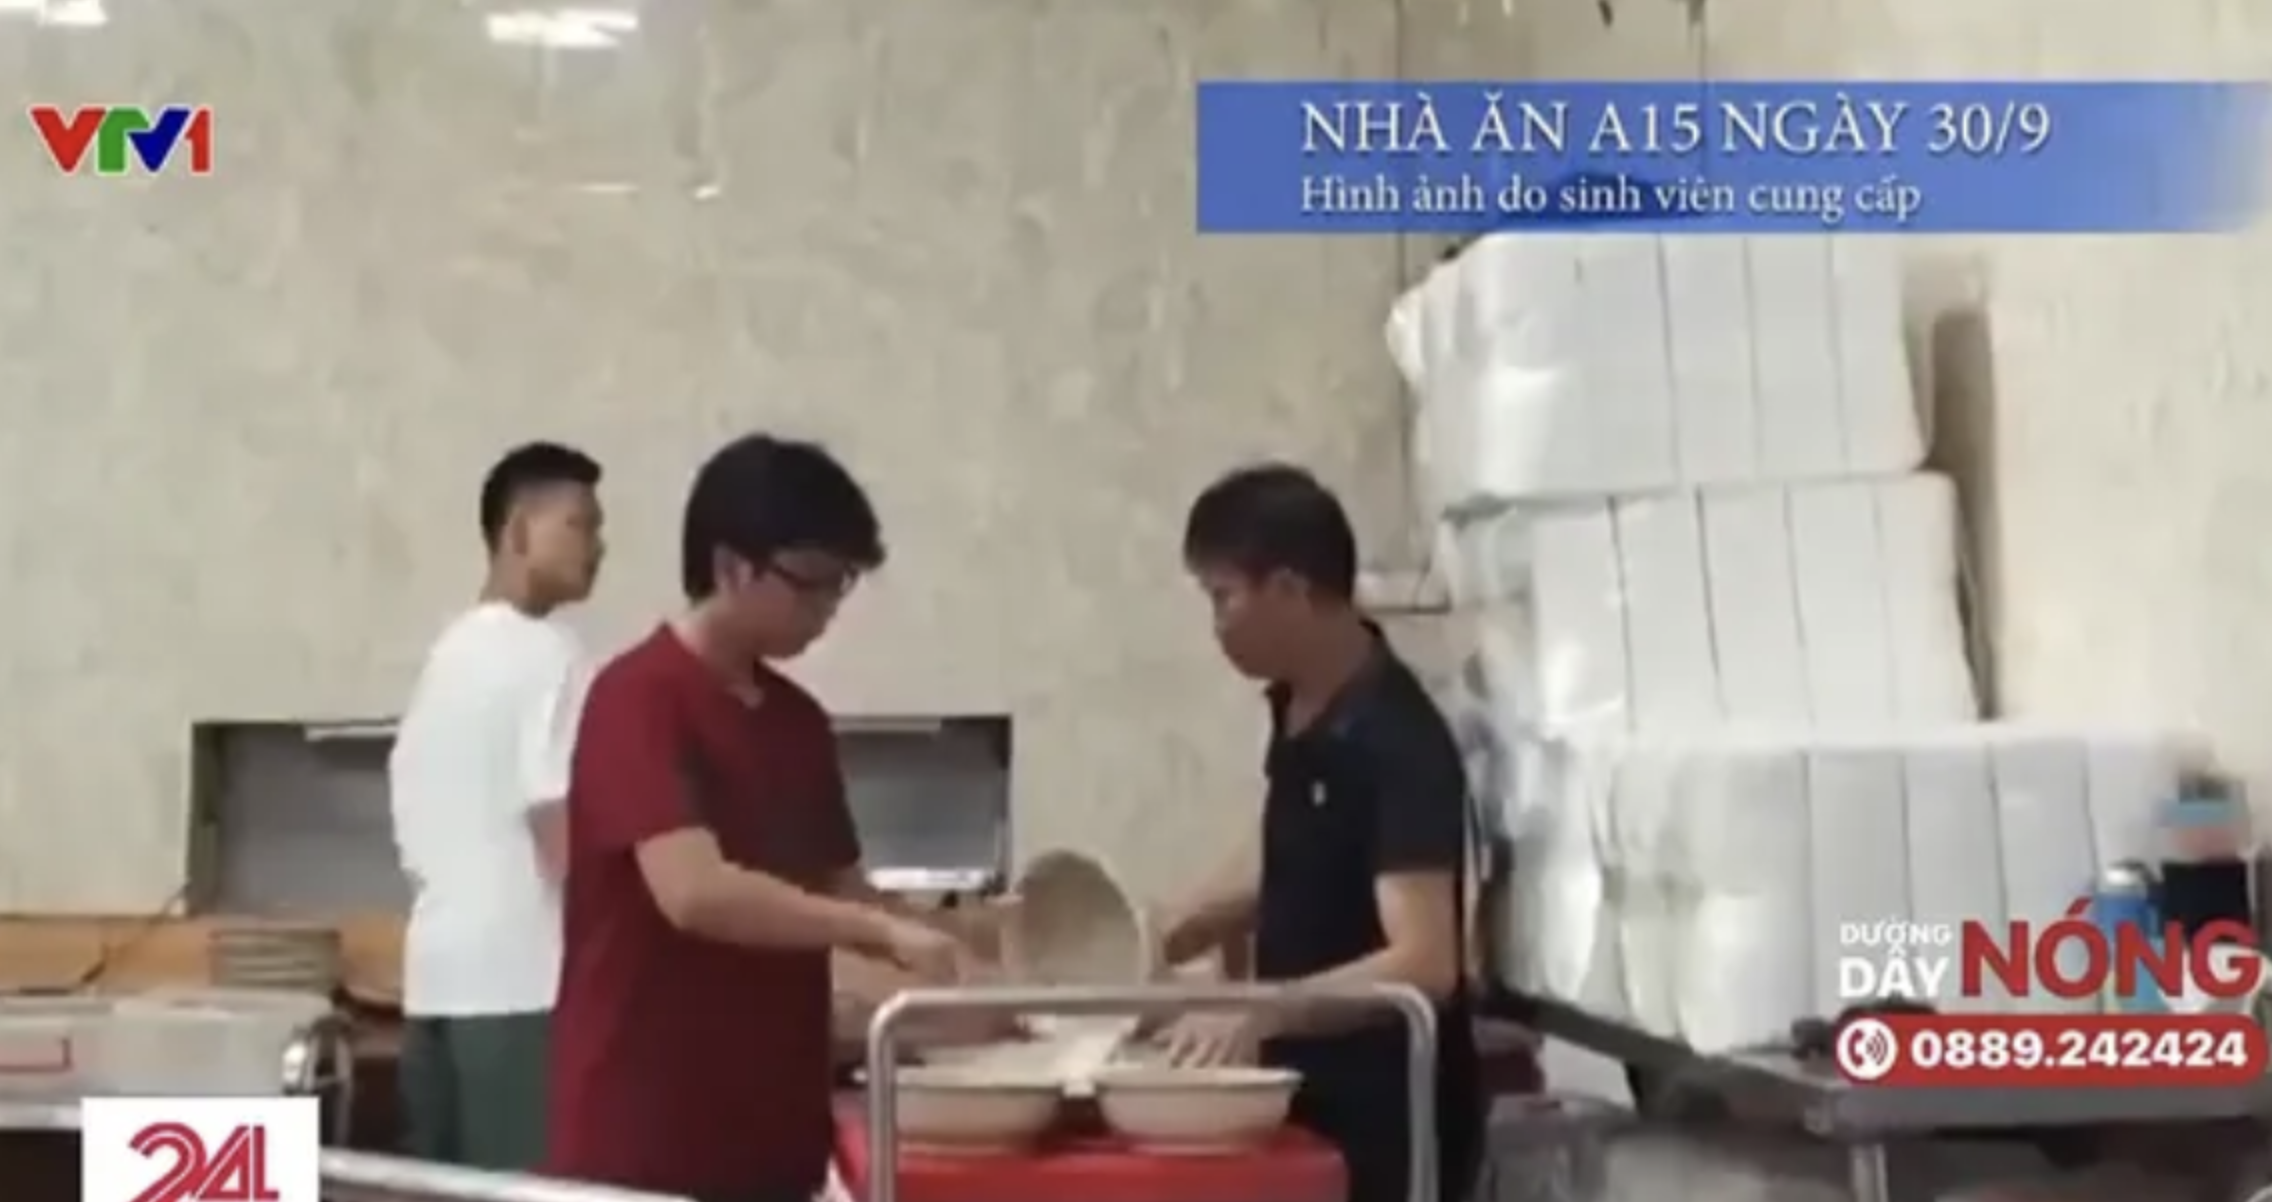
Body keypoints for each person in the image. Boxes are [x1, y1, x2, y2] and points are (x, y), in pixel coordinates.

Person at [546, 433, 978, 1202]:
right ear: (730, 566)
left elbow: (844, 889)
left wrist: (967, 950)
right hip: (644, 1137)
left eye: (841, 585)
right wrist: (878, 933)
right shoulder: (637, 698)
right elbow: (694, 892)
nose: (827, 610)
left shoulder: (797, 722)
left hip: (771, 1136)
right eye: (811, 582)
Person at [1155, 463, 1484, 1202]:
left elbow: (1426, 960)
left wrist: (1266, 1006)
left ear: (1288, 590)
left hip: (1390, 1117)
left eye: (1222, 598)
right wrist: (1176, 924)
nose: (1217, 626)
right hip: (1310, 1091)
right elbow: (1295, 841)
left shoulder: (1398, 740)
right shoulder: (1296, 702)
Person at [388, 441, 606, 1170]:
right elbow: (562, 836)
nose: (598, 546)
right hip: (525, 991)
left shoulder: (444, 657)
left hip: (433, 989)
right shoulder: (552, 655)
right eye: (579, 525)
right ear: (517, 532)